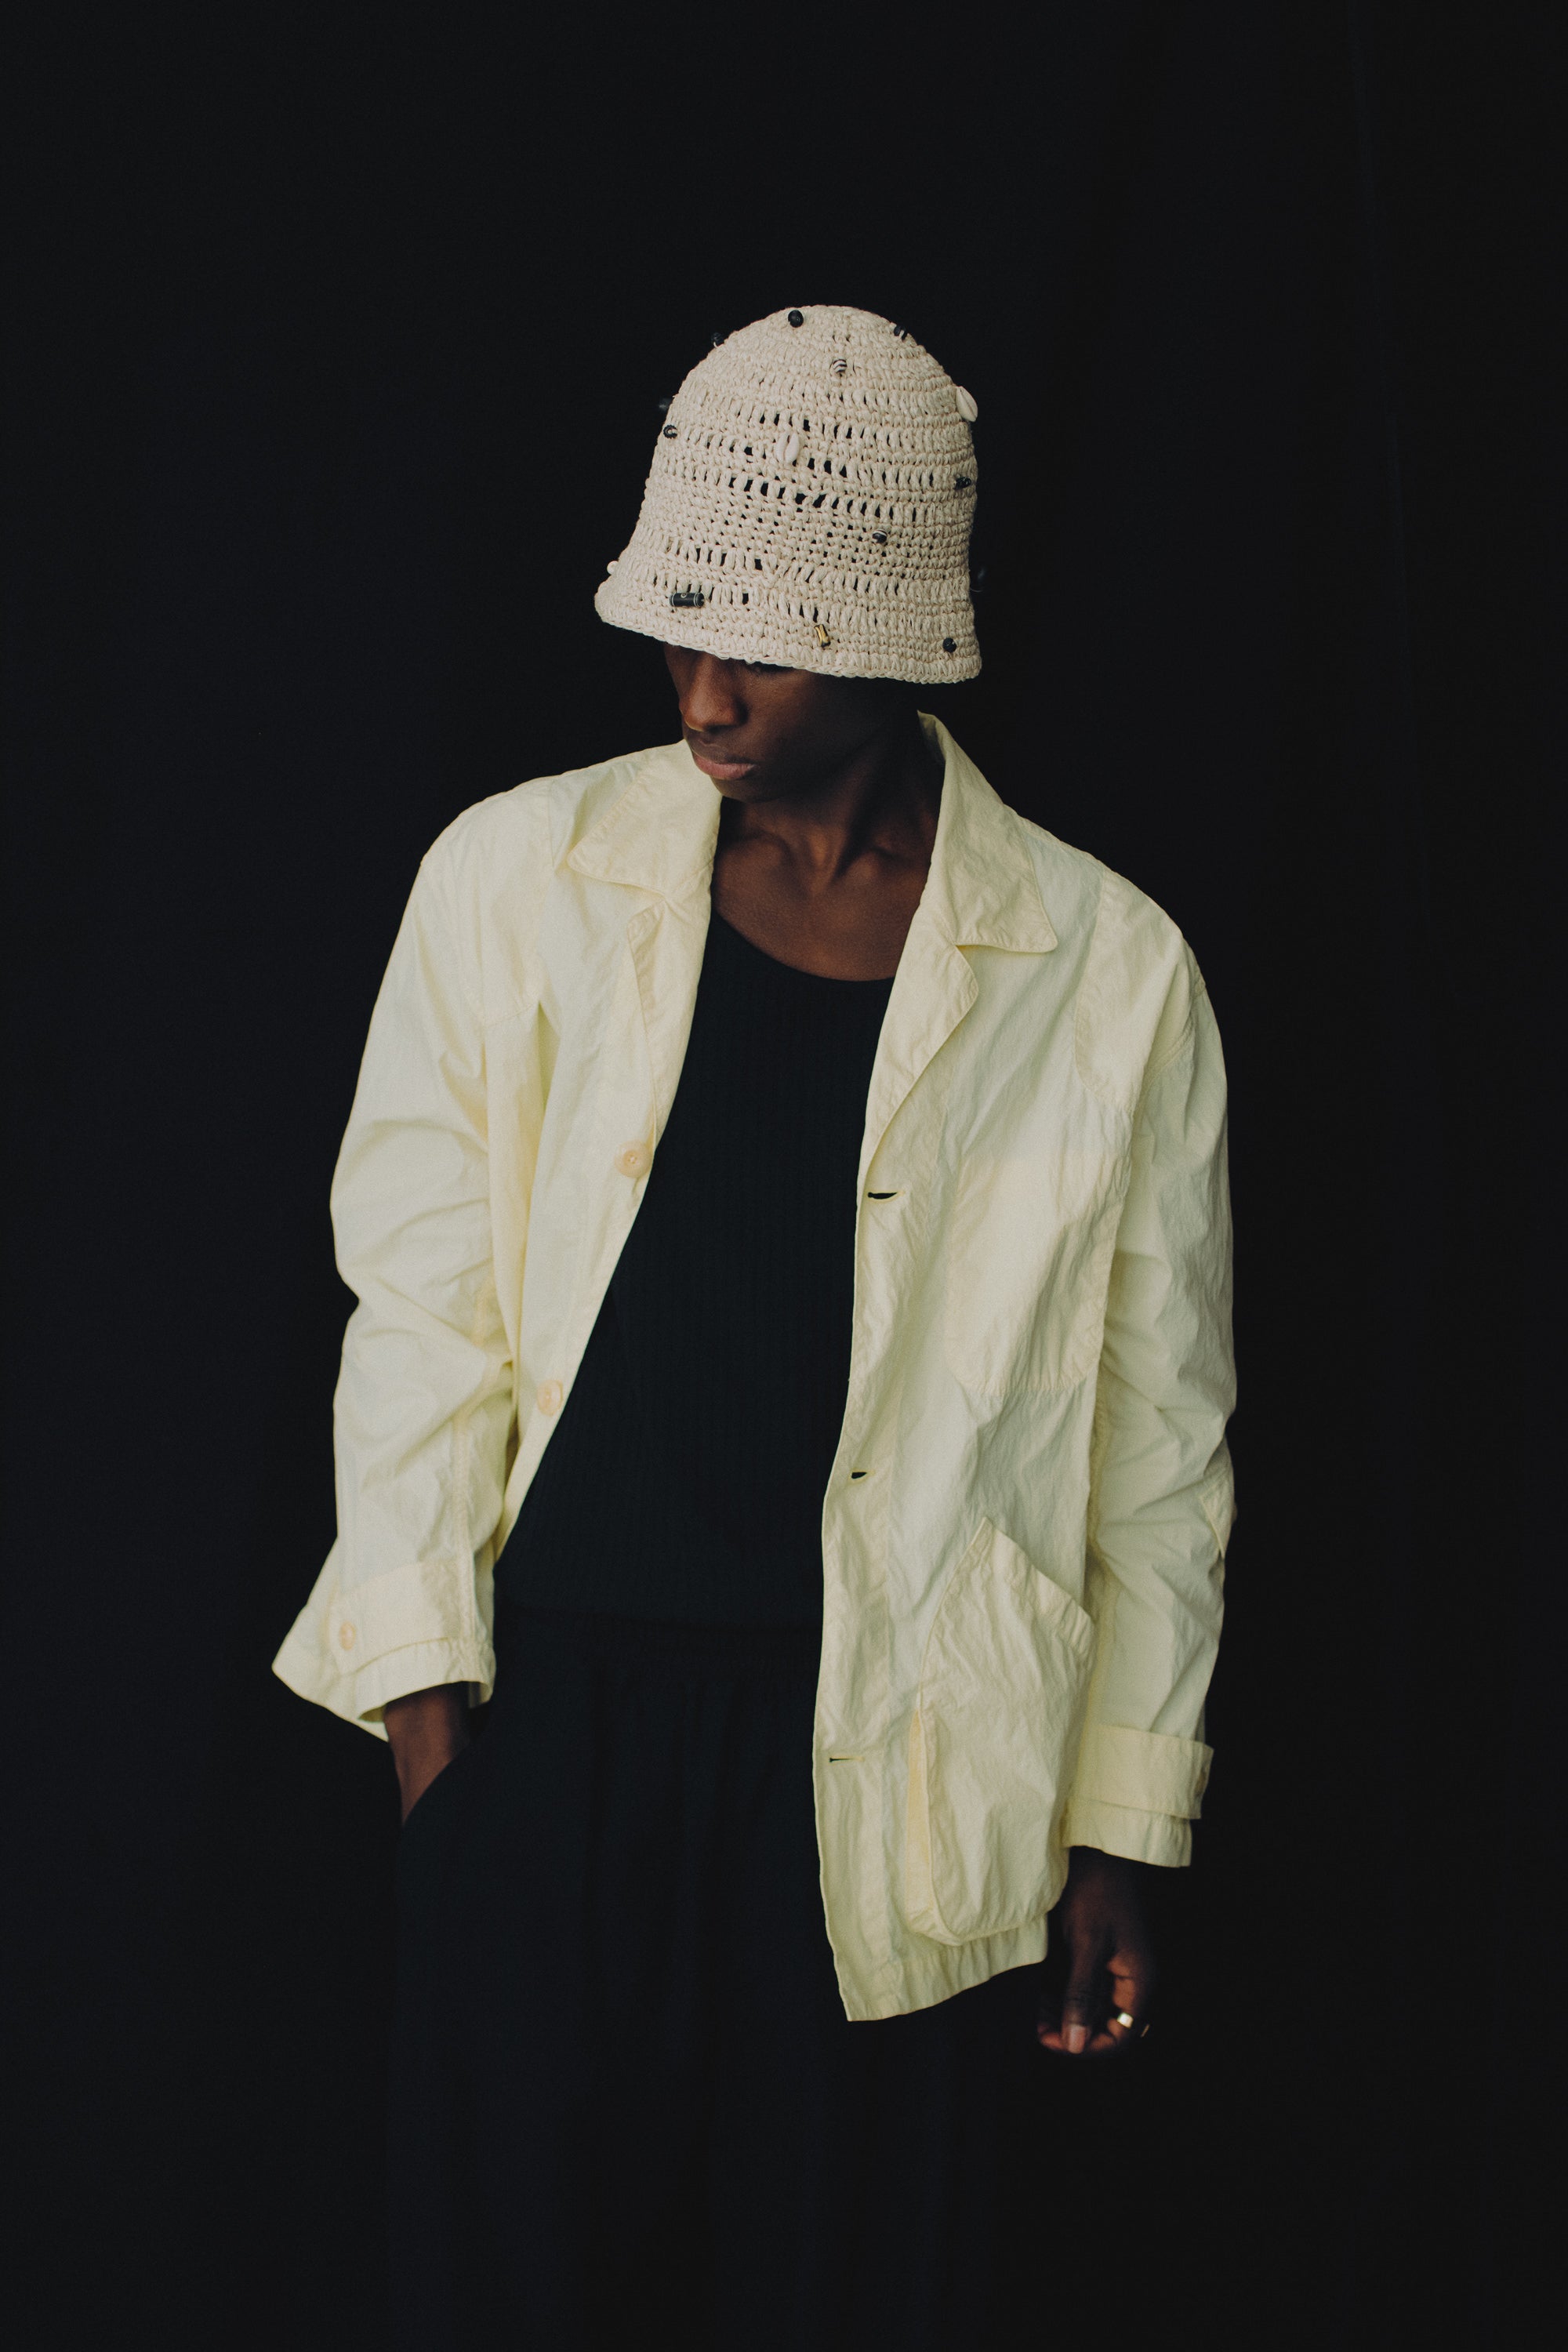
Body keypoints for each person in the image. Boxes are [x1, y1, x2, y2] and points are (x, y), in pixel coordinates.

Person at [274, 303, 1236, 2348]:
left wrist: (1114, 1832)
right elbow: (420, 1317)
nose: (703, 691)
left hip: (910, 1766)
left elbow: (1160, 1442)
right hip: (552, 1752)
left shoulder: (1110, 970)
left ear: (895, 645)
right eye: (678, 631)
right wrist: (441, 1759)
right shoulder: (515, 879)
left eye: (766, 648)